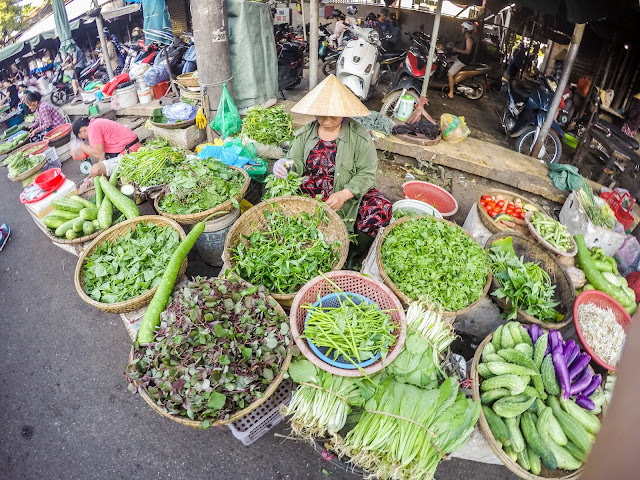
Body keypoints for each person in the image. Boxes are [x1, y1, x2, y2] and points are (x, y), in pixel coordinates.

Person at [274, 75, 392, 267]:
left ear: (344, 113)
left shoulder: (359, 136)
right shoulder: (305, 133)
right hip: (312, 193)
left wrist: (345, 194)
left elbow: (367, 173)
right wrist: (283, 166)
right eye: (321, 116)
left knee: (381, 208)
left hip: (345, 194)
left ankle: (351, 254)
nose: (327, 121)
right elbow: (295, 162)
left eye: (333, 116)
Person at [71, 117, 140, 178]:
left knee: (96, 170)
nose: (86, 140)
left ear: (82, 130)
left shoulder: (93, 127)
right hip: (131, 147)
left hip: (130, 153)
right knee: (99, 169)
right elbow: (103, 154)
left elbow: (98, 154)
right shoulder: (96, 123)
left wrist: (82, 146)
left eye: (83, 139)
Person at [446, 21, 475, 99]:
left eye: (462, 28)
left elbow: (468, 51)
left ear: (466, 29)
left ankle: (451, 93)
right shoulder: (466, 39)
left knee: (449, 74)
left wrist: (456, 50)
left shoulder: (469, 39)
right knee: (446, 60)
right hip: (460, 57)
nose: (461, 29)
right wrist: (454, 46)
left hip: (463, 60)